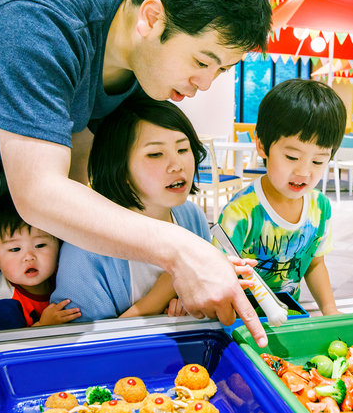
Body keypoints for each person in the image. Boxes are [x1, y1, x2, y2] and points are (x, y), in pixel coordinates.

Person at [0, 0, 272, 345]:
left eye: (221, 69)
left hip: (3, 155)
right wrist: (181, 252)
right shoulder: (38, 19)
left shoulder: (136, 63)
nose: (205, 84)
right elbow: (39, 191)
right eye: (201, 61)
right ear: (151, 17)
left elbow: (75, 158)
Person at [51, 97, 256, 321]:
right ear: (120, 168)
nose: (177, 165)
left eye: (183, 149)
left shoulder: (191, 216)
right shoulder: (84, 247)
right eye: (155, 154)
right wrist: (161, 296)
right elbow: (84, 349)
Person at [217, 79, 347, 316]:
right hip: (238, 316)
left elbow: (315, 263)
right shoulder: (241, 212)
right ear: (262, 146)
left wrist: (330, 310)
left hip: (288, 313)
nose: (304, 172)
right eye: (291, 157)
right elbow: (218, 273)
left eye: (318, 161)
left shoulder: (320, 208)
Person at [0, 196, 82, 330]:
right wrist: (43, 325)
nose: (29, 257)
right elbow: (8, 345)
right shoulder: (3, 302)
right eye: (15, 249)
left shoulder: (65, 270)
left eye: (40, 245)